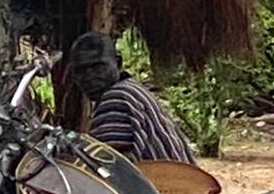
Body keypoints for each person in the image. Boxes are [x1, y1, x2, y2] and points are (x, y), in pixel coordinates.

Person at [63, 30, 195, 165]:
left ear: (118, 63)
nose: (89, 77)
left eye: (98, 67)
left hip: (163, 179)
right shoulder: (132, 90)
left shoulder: (116, 99)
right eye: (80, 71)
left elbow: (110, 166)